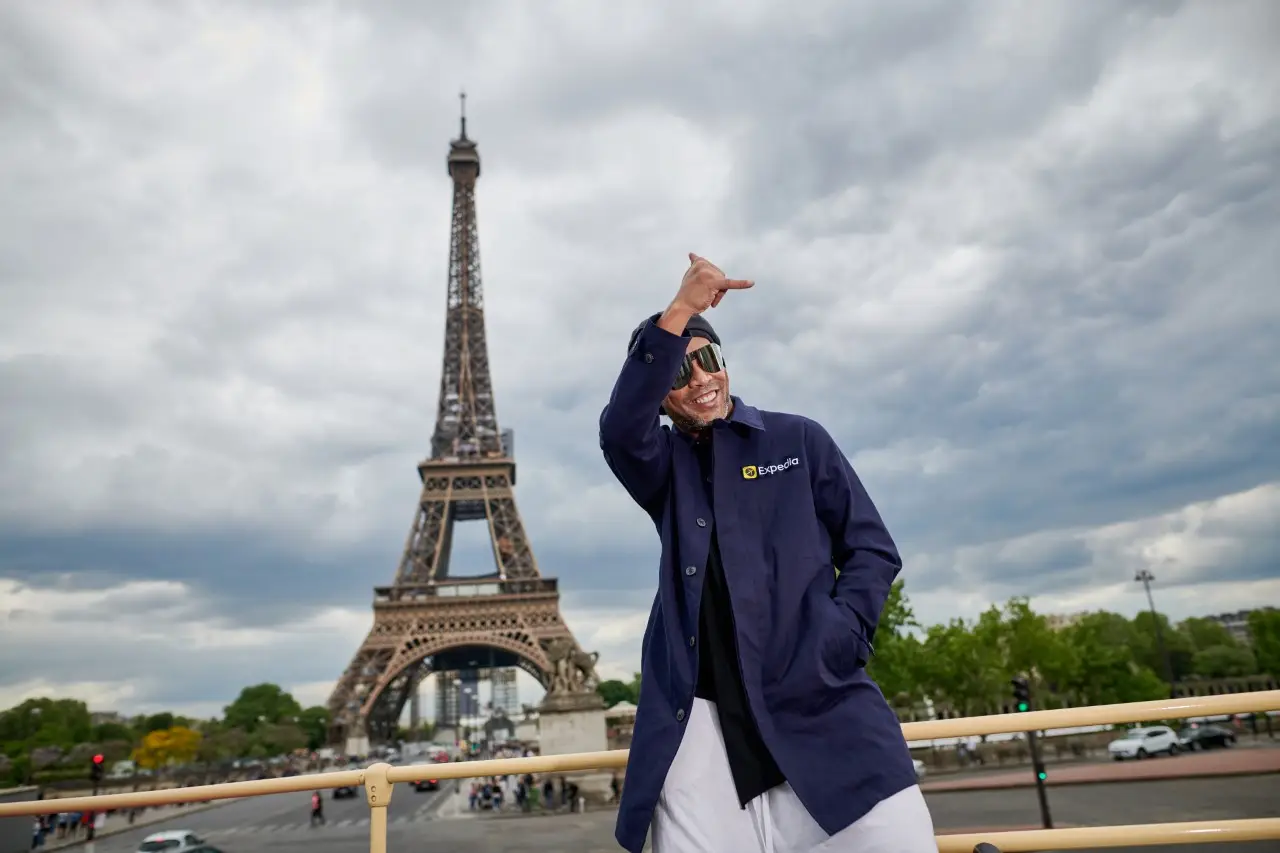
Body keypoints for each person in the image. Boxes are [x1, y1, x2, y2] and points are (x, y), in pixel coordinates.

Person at [599, 254, 937, 853]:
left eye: (707, 360)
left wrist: (841, 634)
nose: (699, 379)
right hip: (701, 719)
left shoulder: (797, 439)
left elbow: (871, 548)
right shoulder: (661, 468)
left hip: (820, 699)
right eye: (677, 372)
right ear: (659, 394)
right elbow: (620, 430)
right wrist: (681, 310)